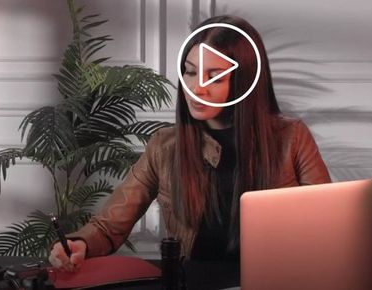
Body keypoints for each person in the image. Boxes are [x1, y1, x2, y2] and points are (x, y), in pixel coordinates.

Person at [48, 15, 331, 271]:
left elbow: (328, 226)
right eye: (191, 72)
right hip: (193, 282)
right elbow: (110, 225)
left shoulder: (292, 138)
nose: (196, 88)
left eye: (214, 77)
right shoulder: (164, 147)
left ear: (243, 82)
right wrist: (80, 243)